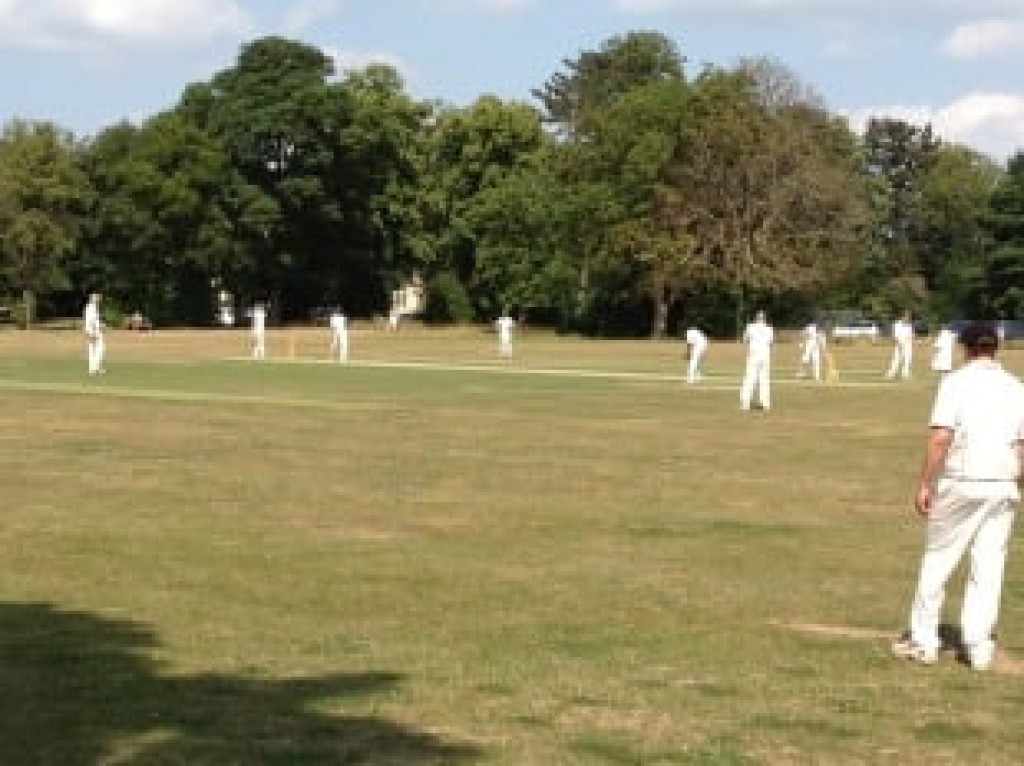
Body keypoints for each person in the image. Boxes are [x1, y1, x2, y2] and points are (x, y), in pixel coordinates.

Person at [892, 321, 1024, 669]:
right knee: (989, 564)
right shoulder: (1015, 387)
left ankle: (923, 641)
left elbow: (940, 438)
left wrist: (924, 483)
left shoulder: (955, 382)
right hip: (1002, 482)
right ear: (996, 349)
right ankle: (979, 647)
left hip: (964, 480)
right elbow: (1020, 446)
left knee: (939, 559)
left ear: (966, 349)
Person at [740, 310, 774, 411]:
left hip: (754, 355)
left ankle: (745, 403)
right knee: (764, 379)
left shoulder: (750, 327)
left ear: (756, 318)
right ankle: (765, 403)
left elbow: (745, 340)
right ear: (764, 319)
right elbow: (771, 343)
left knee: (750, 378)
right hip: (765, 356)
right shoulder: (769, 329)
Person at [887, 312, 914, 379]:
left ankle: (905, 373)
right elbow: (895, 335)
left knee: (908, 359)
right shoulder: (897, 325)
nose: (907, 319)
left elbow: (910, 335)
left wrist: (911, 340)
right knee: (897, 359)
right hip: (899, 343)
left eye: (908, 317)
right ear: (902, 317)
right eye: (906, 317)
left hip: (908, 344)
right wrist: (898, 343)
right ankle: (891, 373)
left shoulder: (909, 326)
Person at [83, 292, 105, 375]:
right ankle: (93, 368)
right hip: (93, 331)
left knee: (98, 349)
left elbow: (96, 320)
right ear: (92, 299)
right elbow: (88, 321)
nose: (99, 299)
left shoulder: (94, 307)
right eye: (97, 298)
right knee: (95, 349)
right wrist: (90, 332)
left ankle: (95, 368)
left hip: (96, 330)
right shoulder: (90, 308)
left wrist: (101, 325)